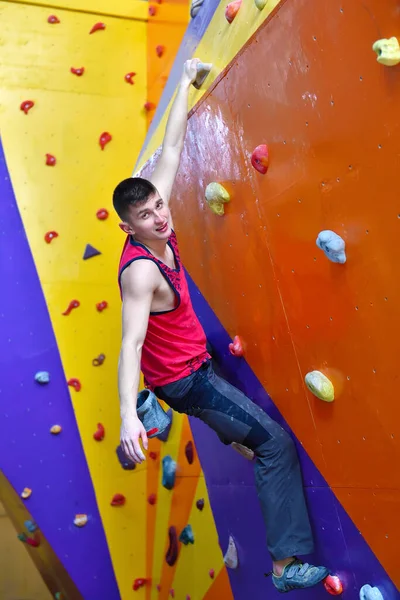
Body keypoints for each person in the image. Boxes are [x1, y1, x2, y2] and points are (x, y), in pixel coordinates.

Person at [113, 58, 330, 593]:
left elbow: (171, 150)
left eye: (159, 207)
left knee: (250, 438)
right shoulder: (141, 271)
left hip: (188, 364)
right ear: (129, 227)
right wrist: (124, 414)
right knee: (276, 444)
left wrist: (185, 81)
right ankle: (285, 566)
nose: (161, 218)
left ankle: (201, 424)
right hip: (187, 380)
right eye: (146, 217)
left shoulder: (159, 220)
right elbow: (130, 342)